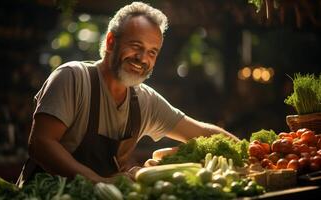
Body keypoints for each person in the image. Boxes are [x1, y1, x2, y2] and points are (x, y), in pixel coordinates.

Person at [16, 1, 239, 186]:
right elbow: (41, 144)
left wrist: (250, 150)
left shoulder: (145, 101)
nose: (142, 58)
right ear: (112, 41)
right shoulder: (73, 78)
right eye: (136, 45)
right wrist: (98, 182)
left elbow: (199, 132)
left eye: (152, 52)